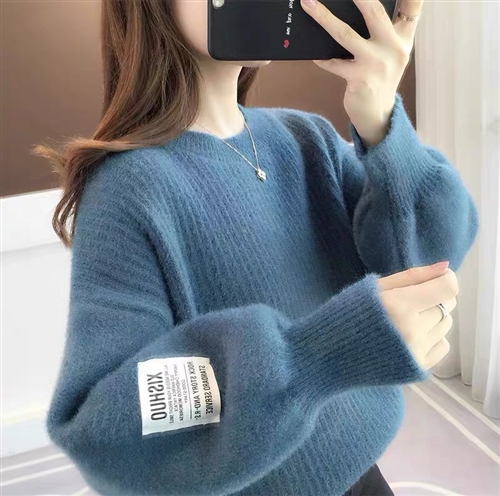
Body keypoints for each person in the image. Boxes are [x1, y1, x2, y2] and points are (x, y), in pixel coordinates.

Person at [34, 0, 479, 494]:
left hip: (365, 476)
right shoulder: (129, 189)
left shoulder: (305, 138)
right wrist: (323, 355)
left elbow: (429, 255)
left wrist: (381, 122)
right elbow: (101, 434)